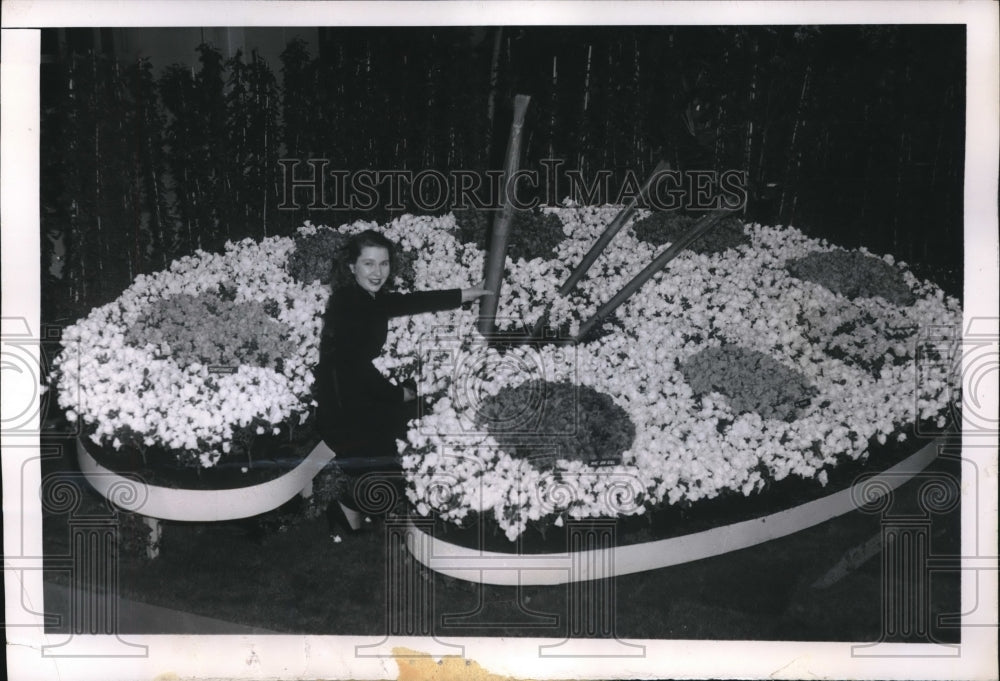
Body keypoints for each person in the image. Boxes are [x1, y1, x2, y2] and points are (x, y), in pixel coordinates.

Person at [315, 229, 490, 535]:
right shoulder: (349, 305)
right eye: (368, 264)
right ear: (351, 266)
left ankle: (352, 507)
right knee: (406, 435)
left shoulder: (364, 297)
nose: (377, 272)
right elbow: (354, 367)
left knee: (404, 438)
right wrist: (399, 394)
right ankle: (358, 506)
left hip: (352, 395)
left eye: (383, 264)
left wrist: (465, 294)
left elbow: (408, 303)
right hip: (345, 407)